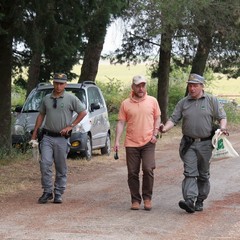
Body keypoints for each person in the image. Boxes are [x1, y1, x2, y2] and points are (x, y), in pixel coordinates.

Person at [160, 73, 227, 213]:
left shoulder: (211, 100)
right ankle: (190, 200)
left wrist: (223, 128)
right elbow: (174, 119)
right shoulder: (183, 102)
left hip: (206, 144)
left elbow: (222, 117)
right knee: (190, 172)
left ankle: (200, 200)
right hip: (189, 143)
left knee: (203, 174)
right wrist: (164, 129)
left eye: (195, 85)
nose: (192, 88)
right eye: (190, 85)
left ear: (202, 86)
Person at [31, 73, 87, 204]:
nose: (58, 86)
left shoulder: (70, 98)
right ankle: (47, 191)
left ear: (65, 85)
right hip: (47, 136)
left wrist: (71, 125)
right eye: (56, 83)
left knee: (61, 166)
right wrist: (35, 133)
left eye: (61, 83)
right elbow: (41, 115)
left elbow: (83, 112)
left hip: (62, 138)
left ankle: (58, 192)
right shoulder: (46, 98)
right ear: (53, 83)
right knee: (45, 164)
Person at [113, 75, 161, 211]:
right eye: (138, 86)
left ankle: (147, 198)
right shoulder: (125, 103)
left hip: (148, 141)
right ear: (132, 87)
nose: (141, 88)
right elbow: (121, 122)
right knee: (132, 172)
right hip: (131, 143)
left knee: (148, 168)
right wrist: (117, 140)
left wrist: (155, 133)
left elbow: (157, 118)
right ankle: (135, 199)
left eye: (143, 85)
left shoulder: (152, 101)